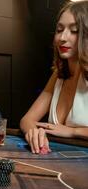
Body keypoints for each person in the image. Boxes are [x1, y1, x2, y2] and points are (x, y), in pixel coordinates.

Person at [20, 1, 88, 154]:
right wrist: (34, 132)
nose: (62, 37)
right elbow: (27, 120)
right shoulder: (58, 75)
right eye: (59, 29)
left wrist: (73, 132)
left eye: (74, 30)